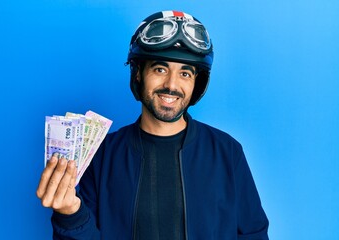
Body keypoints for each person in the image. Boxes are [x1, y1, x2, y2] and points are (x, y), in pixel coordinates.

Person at [37, 10, 269, 240]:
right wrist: (70, 214)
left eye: (185, 73)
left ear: (197, 83)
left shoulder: (227, 152)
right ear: (138, 74)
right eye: (160, 69)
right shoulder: (102, 155)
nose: (172, 85)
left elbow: (254, 234)